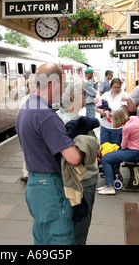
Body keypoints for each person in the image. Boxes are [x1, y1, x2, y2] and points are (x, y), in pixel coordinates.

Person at [16, 63, 84, 245]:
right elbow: (73, 157)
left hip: (35, 184)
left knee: (42, 238)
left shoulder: (27, 107)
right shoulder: (46, 114)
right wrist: (85, 146)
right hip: (50, 188)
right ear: (54, 83)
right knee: (59, 239)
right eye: (62, 84)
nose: (62, 89)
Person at [57, 77, 99, 245]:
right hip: (82, 183)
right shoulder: (68, 122)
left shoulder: (68, 118)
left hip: (81, 182)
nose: (86, 97)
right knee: (79, 230)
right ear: (73, 97)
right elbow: (73, 157)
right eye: (83, 93)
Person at [98, 110, 139, 195]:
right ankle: (110, 183)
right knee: (109, 156)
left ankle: (110, 187)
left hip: (135, 152)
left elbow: (123, 146)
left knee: (105, 159)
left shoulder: (127, 128)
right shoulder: (135, 118)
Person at [95, 78, 136, 147]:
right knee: (104, 147)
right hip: (105, 126)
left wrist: (129, 100)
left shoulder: (124, 95)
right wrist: (100, 111)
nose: (117, 89)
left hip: (119, 128)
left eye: (118, 87)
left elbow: (133, 109)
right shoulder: (106, 95)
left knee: (116, 148)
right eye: (115, 87)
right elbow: (96, 107)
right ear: (111, 87)